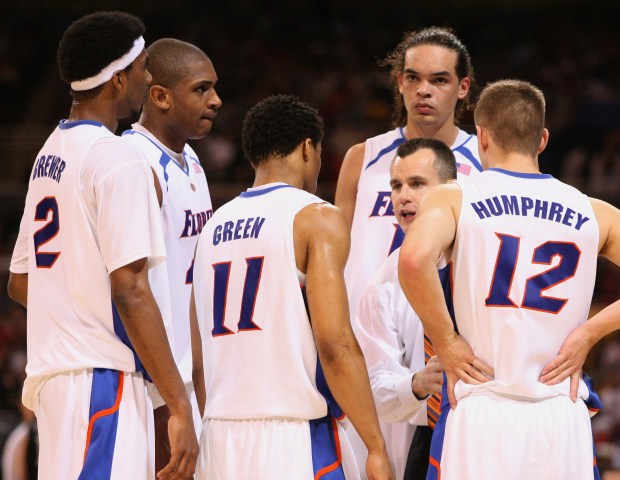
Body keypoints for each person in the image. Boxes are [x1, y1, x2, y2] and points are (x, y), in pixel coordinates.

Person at [6, 12, 198, 479]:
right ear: (117, 80)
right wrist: (178, 405)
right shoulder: (117, 158)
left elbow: (19, 282)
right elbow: (130, 290)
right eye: (140, 68)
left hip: (55, 381)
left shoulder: (48, 153)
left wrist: (75, 309)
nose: (148, 77)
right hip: (101, 382)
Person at [398, 79, 620, 480]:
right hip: (559, 407)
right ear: (543, 139)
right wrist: (590, 333)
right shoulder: (594, 211)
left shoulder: (455, 196)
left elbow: (413, 261)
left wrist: (446, 340)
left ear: (481, 136)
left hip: (483, 402)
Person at [191, 94, 394, 480]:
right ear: (307, 149)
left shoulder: (211, 228)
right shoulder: (316, 217)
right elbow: (335, 345)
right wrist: (375, 445)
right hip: (294, 438)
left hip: (219, 437)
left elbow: (199, 361)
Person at [334, 26, 480, 475]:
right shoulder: (364, 157)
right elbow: (333, 258)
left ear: (463, 87)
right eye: (413, 77)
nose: (424, 91)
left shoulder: (485, 161)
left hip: (446, 356)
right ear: (399, 82)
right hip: (366, 356)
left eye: (439, 80)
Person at [122, 37, 221, 470]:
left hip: (194, 373)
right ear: (160, 96)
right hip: (157, 383)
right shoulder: (132, 162)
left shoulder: (191, 159)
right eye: (201, 89)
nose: (216, 101)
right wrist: (170, 396)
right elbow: (127, 287)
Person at [355, 138, 456, 480]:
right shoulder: (382, 284)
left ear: (450, 190)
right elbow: (373, 387)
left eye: (417, 184)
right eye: (396, 186)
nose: (403, 196)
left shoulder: (488, 255)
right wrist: (417, 383)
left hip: (495, 420)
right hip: (429, 436)